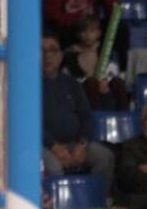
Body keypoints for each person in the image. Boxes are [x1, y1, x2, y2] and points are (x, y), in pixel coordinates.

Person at [41, 32, 116, 192]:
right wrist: (55, 147)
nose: (47, 55)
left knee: (105, 157)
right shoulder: (27, 85)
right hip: (43, 146)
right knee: (53, 167)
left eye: (52, 50)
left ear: (60, 56)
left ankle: (95, 206)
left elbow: (86, 117)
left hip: (74, 143)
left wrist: (82, 144)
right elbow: (29, 125)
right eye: (41, 50)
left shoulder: (72, 83)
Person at [63, 16, 129, 110]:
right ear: (78, 34)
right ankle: (92, 117)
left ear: (98, 33)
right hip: (83, 89)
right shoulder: (71, 53)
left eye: (92, 31)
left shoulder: (104, 49)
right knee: (91, 83)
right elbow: (69, 76)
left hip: (104, 85)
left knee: (118, 82)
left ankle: (124, 115)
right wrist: (89, 81)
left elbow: (112, 69)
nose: (88, 35)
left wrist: (105, 80)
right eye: (84, 31)